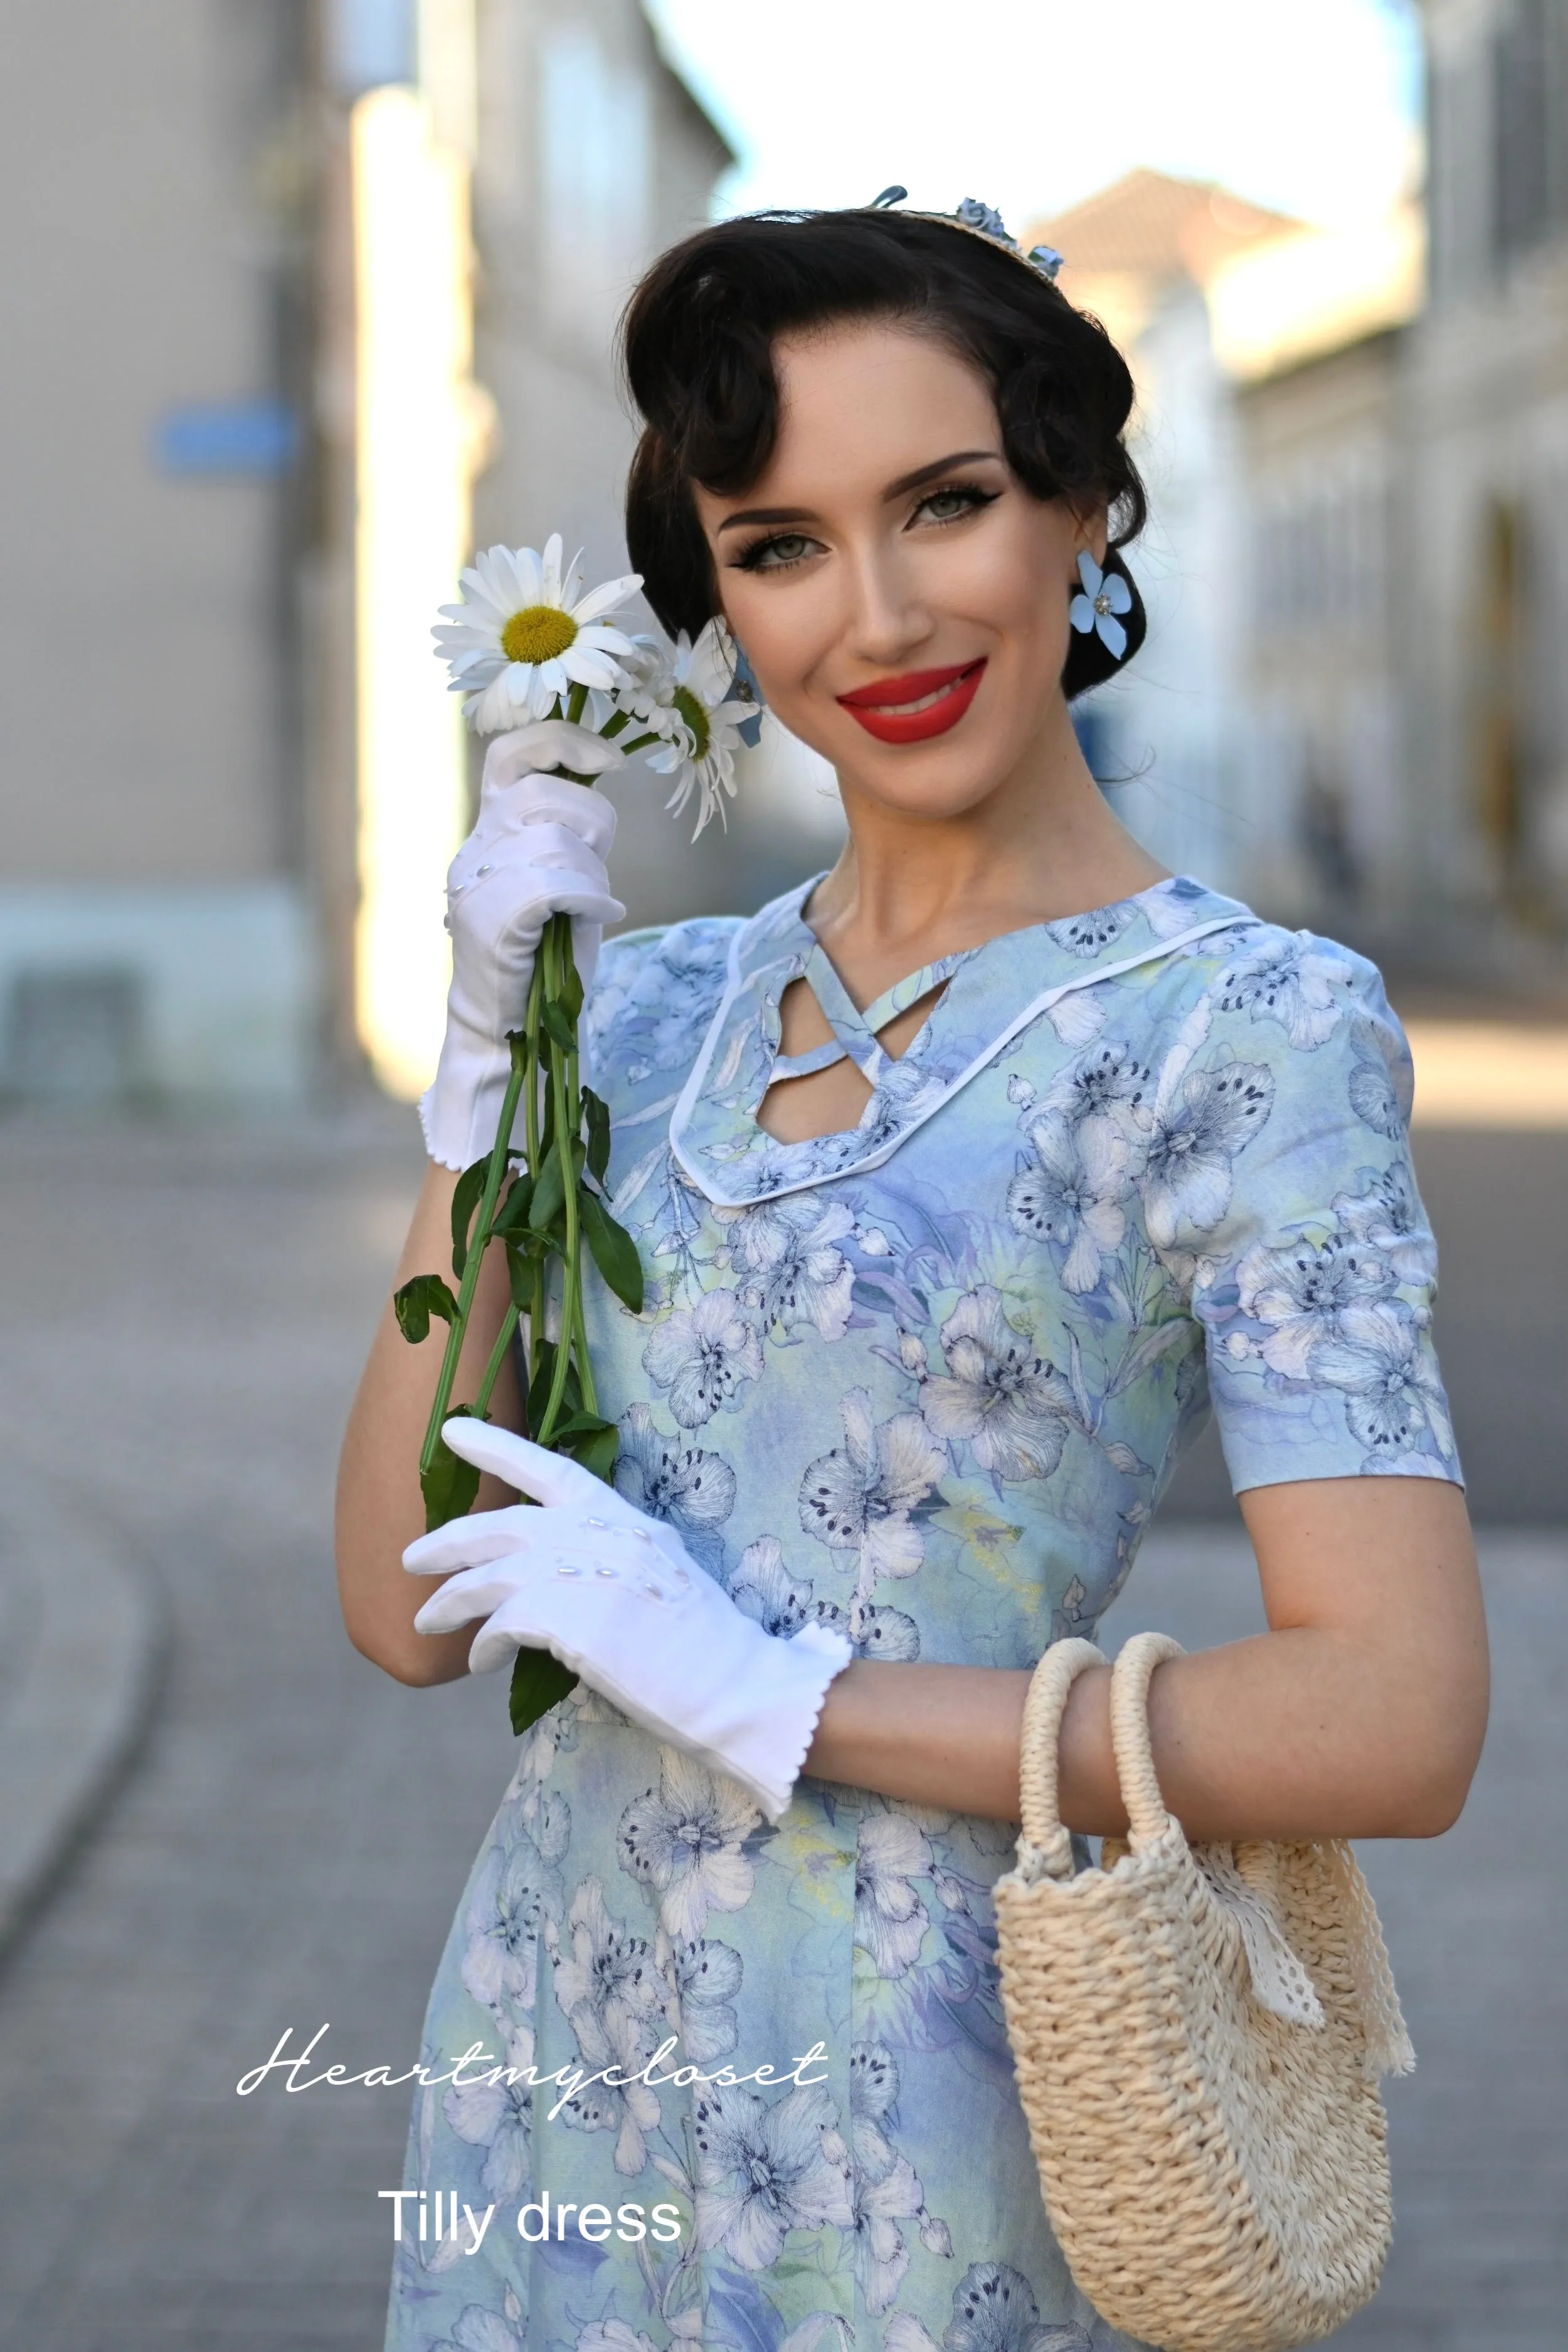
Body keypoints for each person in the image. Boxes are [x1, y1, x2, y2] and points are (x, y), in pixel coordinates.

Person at [337, 199, 1488, 2352]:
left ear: (1080, 503)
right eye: (777, 544)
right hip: (557, 2045)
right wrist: (482, 1089)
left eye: (942, 503)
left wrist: (785, 1696)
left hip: (929, 2073)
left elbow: (1395, 1717)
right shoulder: (649, 1012)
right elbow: (407, 1607)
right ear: (718, 605)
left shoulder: (1243, 1028)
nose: (875, 616)